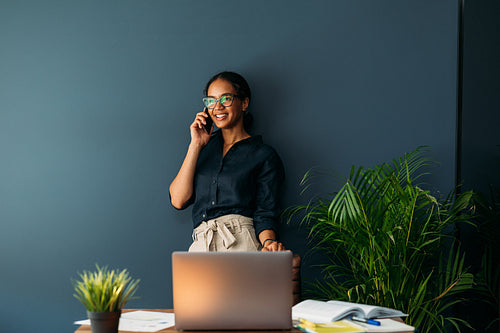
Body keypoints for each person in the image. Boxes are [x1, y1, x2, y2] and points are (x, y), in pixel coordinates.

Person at [169, 71, 286, 252]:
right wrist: (195, 145)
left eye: (226, 99)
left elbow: (265, 213)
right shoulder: (203, 149)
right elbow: (178, 200)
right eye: (211, 101)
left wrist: (268, 243)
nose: (217, 107)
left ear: (244, 103)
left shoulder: (263, 155)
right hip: (201, 243)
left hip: (241, 242)